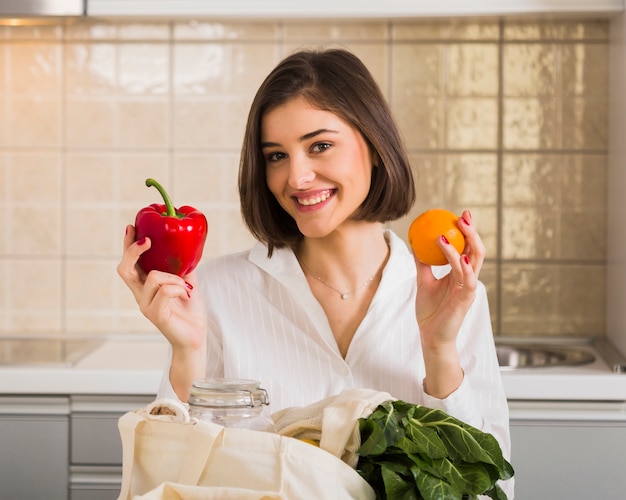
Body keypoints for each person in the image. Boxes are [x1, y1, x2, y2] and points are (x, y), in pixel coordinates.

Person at [118, 48, 513, 496]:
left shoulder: (455, 298)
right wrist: (188, 353)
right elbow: (171, 482)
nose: (297, 177)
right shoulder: (215, 292)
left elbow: (490, 487)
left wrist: (439, 349)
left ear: (376, 146)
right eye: (276, 156)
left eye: (319, 146)